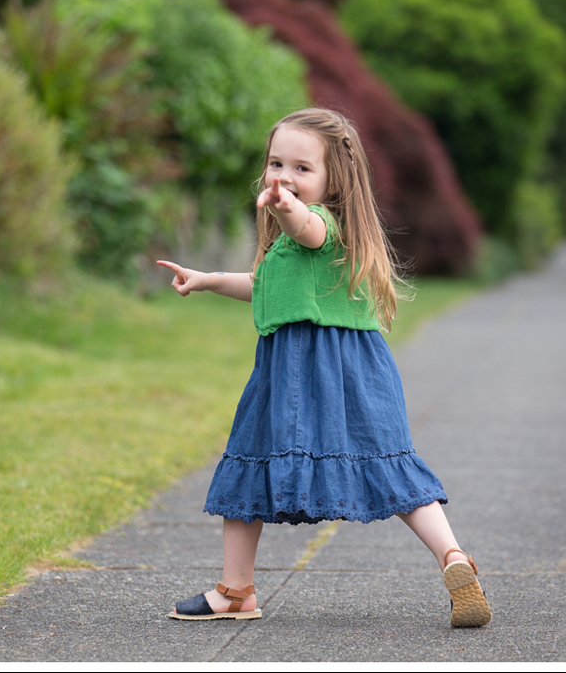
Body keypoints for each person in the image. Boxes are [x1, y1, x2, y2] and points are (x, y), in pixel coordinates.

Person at [156, 108, 491, 628]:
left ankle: (236, 590)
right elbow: (263, 286)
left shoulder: (323, 223)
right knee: (382, 462)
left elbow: (307, 227)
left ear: (336, 180)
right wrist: (206, 278)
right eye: (275, 163)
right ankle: (452, 556)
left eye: (302, 168)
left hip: (302, 369)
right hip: (348, 370)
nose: (284, 176)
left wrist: (288, 206)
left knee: (253, 459)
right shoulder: (288, 247)